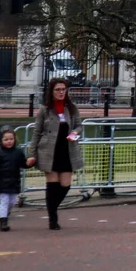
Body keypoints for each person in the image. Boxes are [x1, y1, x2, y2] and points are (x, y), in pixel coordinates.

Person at [29, 77, 83, 230]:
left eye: (63, 89)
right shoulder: (45, 109)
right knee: (52, 186)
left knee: (65, 185)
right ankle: (53, 218)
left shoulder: (72, 108)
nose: (61, 92)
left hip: (67, 150)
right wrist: (32, 154)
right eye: (58, 89)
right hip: (48, 151)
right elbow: (37, 132)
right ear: (51, 91)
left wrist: (75, 132)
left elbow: (79, 126)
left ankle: (52, 208)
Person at [0, 126, 34, 232]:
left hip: (14, 180)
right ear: (1, 140)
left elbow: (23, 164)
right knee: (4, 200)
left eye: (11, 139)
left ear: (15, 139)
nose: (9, 141)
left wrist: (29, 163)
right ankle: (3, 222)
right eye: (6, 139)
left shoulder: (18, 152)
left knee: (12, 202)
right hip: (2, 180)